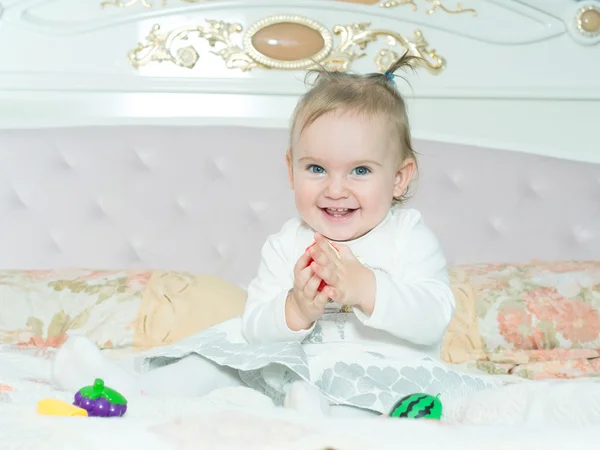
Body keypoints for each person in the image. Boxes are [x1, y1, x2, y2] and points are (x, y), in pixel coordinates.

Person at [51, 53, 494, 418]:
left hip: (386, 377)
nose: (335, 189)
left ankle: (319, 417)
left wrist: (365, 287)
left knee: (398, 412)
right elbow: (256, 327)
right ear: (291, 170)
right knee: (223, 349)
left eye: (360, 171)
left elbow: (433, 316)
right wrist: (295, 308)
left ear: (399, 178)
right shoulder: (287, 242)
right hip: (295, 371)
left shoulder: (407, 236)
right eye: (316, 168)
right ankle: (134, 389)